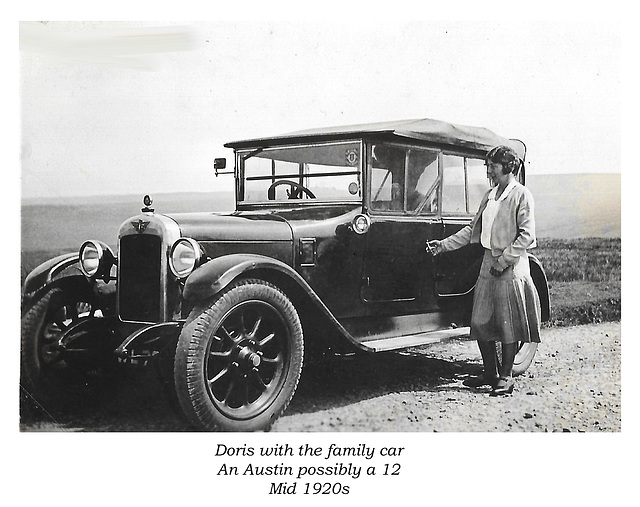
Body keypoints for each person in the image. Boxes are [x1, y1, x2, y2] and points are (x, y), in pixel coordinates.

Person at [427, 146, 541, 396]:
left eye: (493, 165)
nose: (488, 170)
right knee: (480, 320)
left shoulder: (521, 195)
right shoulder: (490, 195)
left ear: (508, 166)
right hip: (488, 263)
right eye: (487, 165)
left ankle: (506, 377)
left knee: (507, 323)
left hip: (510, 266)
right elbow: (472, 230)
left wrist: (503, 262)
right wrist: (443, 246)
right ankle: (490, 372)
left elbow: (527, 236)